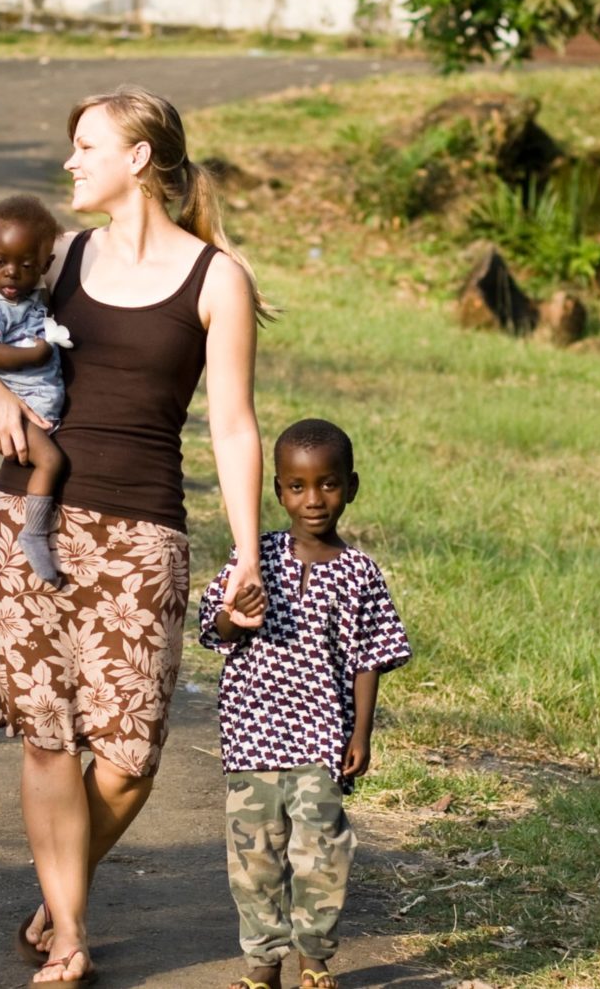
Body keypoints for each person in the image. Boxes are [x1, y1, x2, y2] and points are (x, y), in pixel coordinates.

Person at [0, 85, 270, 987]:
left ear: (138, 157)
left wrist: (247, 553)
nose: (70, 163)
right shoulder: (59, 259)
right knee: (49, 739)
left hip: (144, 534)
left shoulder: (218, 279)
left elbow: (235, 427)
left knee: (129, 757)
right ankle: (70, 932)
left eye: (86, 145)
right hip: (28, 520)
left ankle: (59, 892)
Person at [198, 419, 412, 989]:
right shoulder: (254, 556)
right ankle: (262, 966)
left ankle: (314, 961)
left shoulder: (360, 573)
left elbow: (369, 658)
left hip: (321, 735)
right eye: (297, 486)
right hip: (251, 737)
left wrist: (360, 734)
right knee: (254, 860)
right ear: (278, 490)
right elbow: (212, 628)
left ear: (352, 486)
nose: (313, 500)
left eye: (328, 485)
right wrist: (232, 612)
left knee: (322, 854)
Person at [0, 194, 70, 586]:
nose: (11, 274)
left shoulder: (35, 293)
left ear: (45, 265)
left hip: (42, 402)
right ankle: (34, 531)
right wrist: (37, 353)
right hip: (18, 405)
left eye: (26, 266)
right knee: (50, 462)